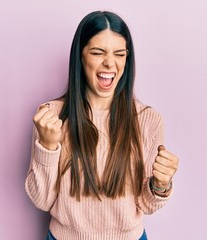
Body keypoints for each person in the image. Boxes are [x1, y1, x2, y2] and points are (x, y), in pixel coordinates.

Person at [25, 10, 179, 240]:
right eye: (98, 52)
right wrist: (47, 147)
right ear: (80, 56)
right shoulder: (51, 116)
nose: (110, 63)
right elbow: (41, 199)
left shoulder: (148, 119)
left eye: (119, 54)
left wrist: (161, 185)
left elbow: (146, 205)